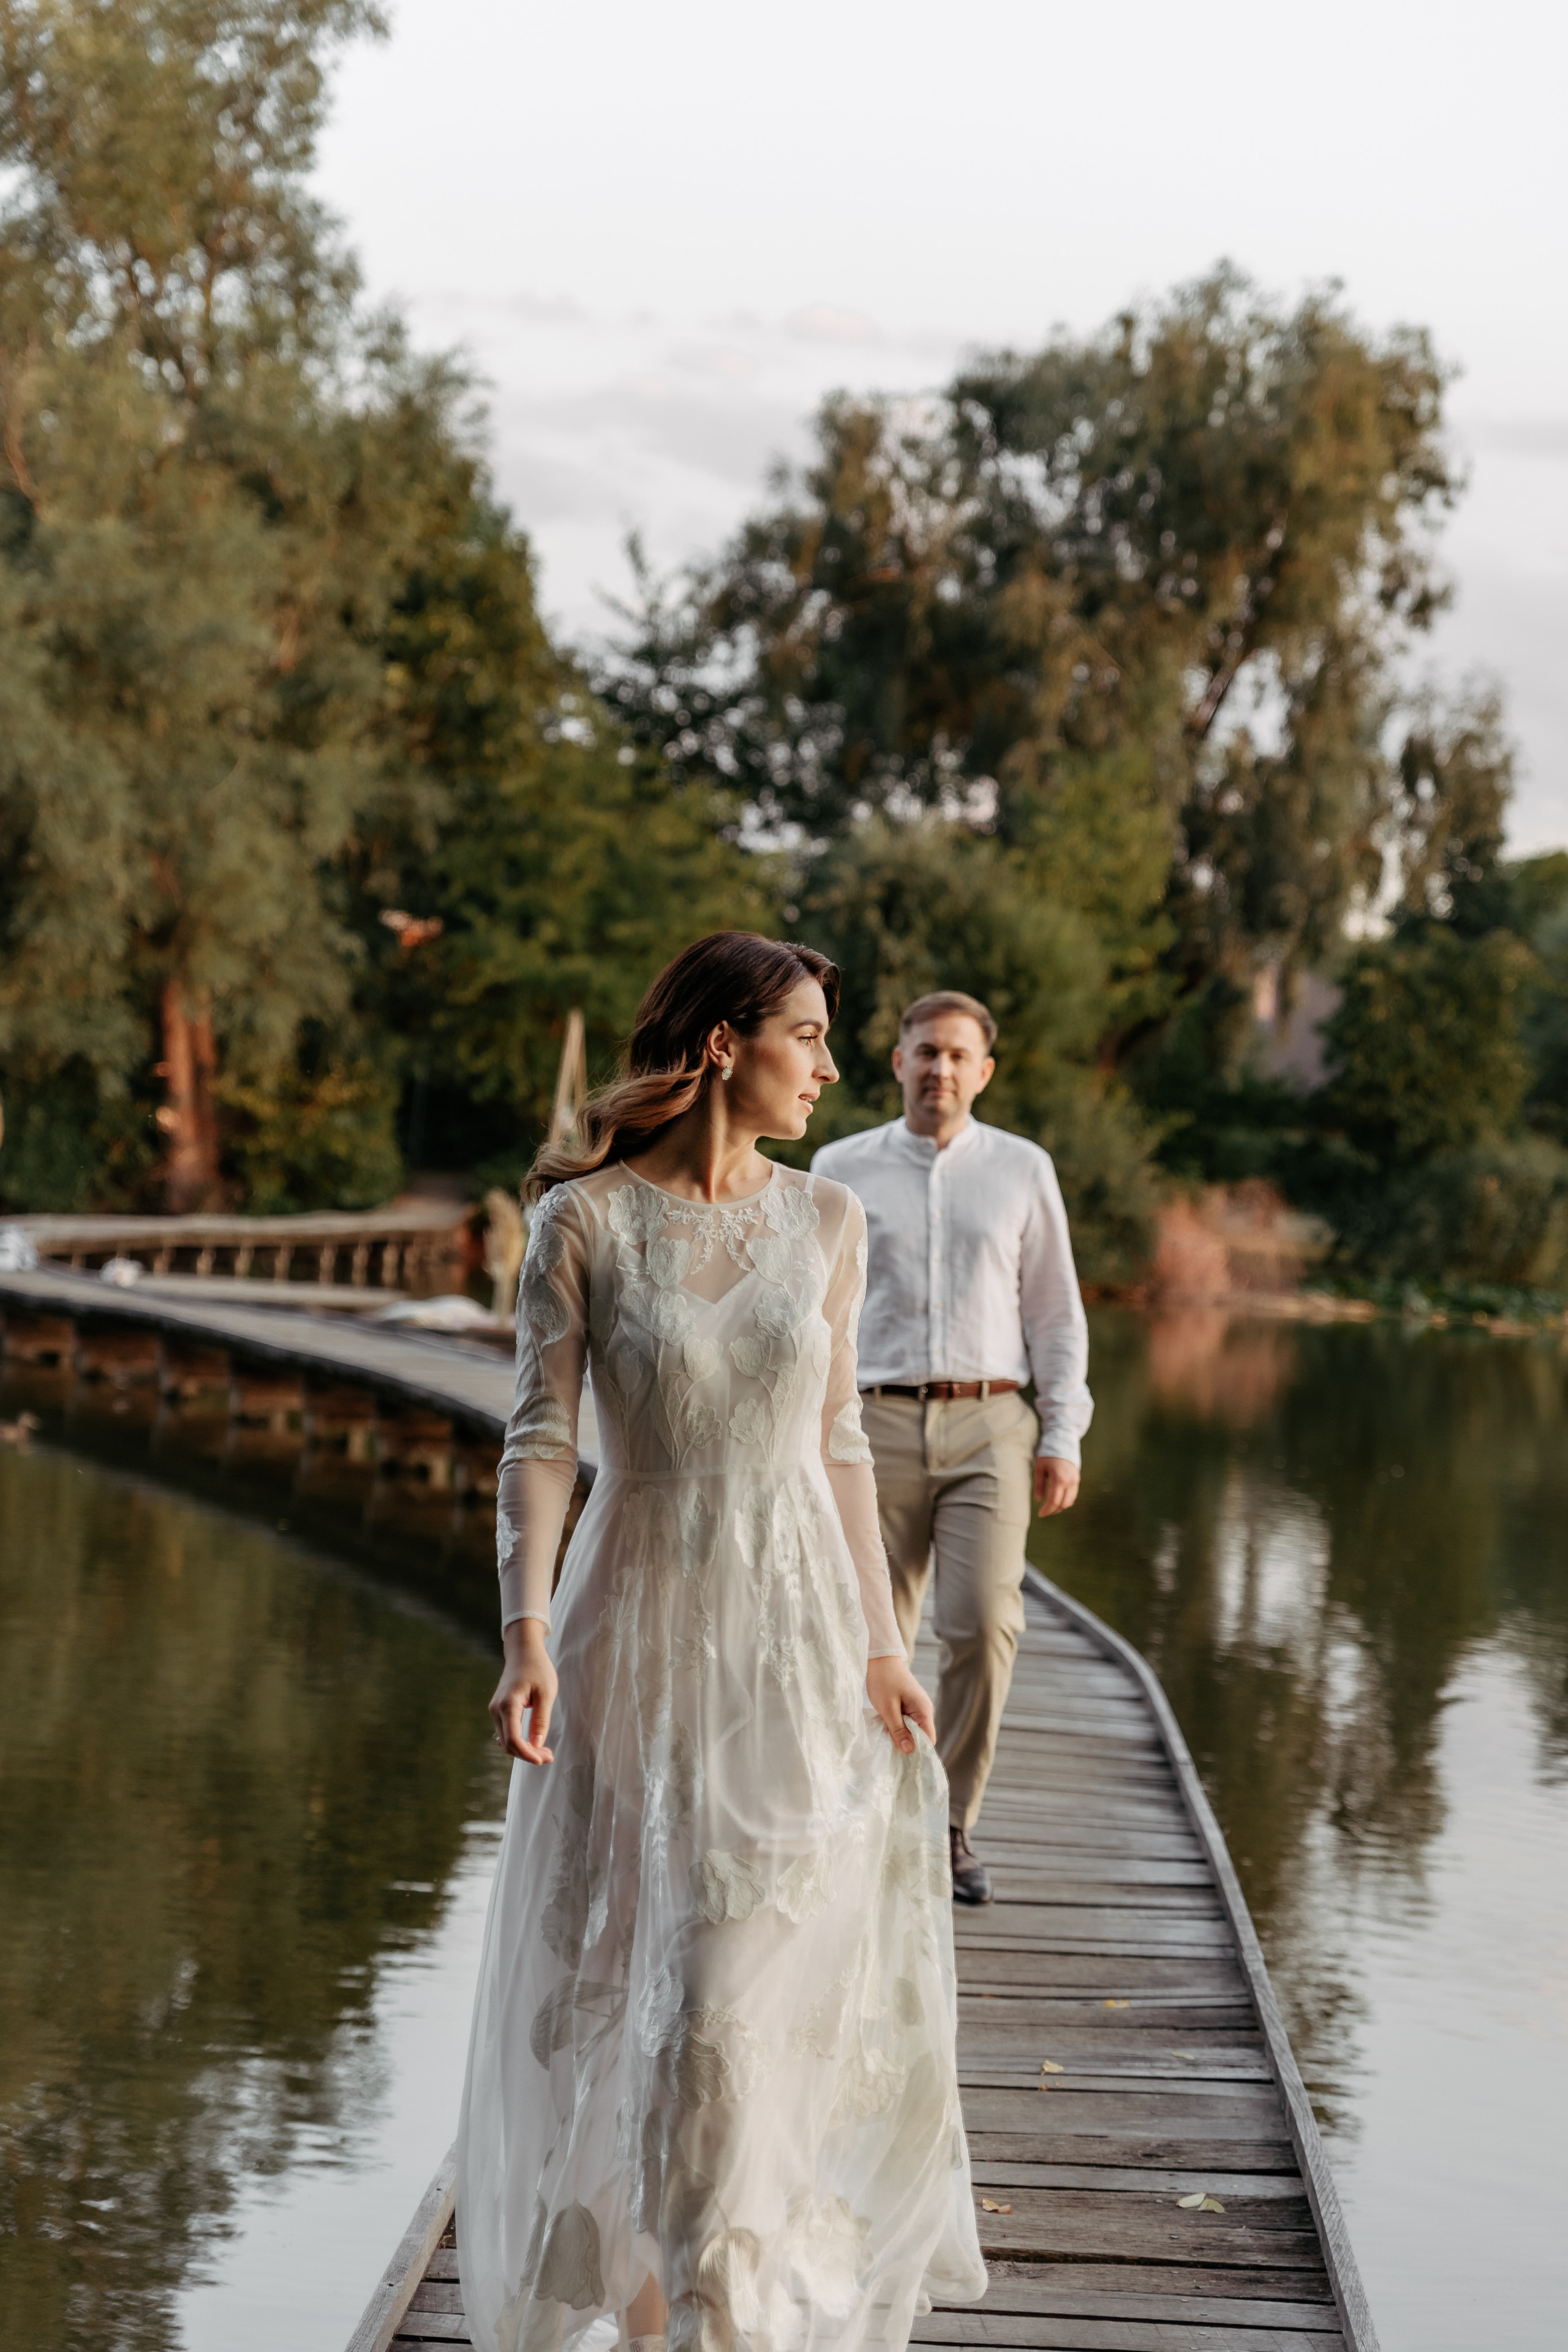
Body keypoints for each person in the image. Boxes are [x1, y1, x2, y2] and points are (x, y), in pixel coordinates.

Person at [458, 936, 987, 2352]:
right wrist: (522, 1633)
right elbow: (541, 1439)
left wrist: (885, 1645)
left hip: (795, 1628)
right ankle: (661, 2312)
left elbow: (835, 1450)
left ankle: (716, 2310)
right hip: (631, 1618)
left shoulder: (824, 1225)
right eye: (806, 1037)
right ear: (718, 1048)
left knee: (727, 1987)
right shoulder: (581, 1222)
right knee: (630, 1978)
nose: (828, 1067)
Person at [812, 991, 1092, 1907]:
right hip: (870, 1424)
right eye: (926, 1052)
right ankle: (870, 1814)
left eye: (958, 1056)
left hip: (991, 1426)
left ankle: (950, 1824)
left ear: (984, 1071)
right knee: (869, 1634)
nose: (940, 1069)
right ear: (897, 1061)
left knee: (982, 1624)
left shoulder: (1022, 1170)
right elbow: (812, 1318)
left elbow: (1054, 1312)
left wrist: (1064, 1433)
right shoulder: (838, 1169)